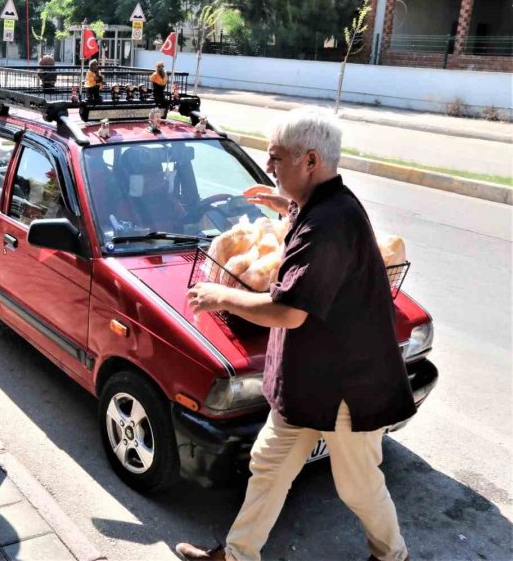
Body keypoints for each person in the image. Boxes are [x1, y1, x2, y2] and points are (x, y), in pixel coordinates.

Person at [177, 108, 415, 561]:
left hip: (348, 387)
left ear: (310, 162)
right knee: (268, 466)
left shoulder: (328, 224)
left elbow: (287, 311)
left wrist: (220, 296)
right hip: (308, 381)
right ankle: (237, 554)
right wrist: (285, 205)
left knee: (359, 486)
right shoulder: (321, 207)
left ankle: (392, 556)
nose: (269, 167)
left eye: (276, 158)